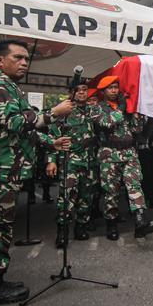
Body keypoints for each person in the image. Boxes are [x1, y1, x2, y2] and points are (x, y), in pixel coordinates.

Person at [0, 39, 74, 306]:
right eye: (18, 57)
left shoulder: (11, 88)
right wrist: (53, 113)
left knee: (0, 227)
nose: (24, 63)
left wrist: (51, 142)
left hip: (6, 169)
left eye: (27, 59)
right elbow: (15, 123)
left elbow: (26, 129)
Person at [88, 76, 153, 240]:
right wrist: (121, 108)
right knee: (111, 191)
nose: (114, 90)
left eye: (116, 87)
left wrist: (135, 113)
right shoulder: (97, 108)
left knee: (134, 185)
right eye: (110, 88)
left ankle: (140, 221)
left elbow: (137, 129)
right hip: (109, 154)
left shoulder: (124, 107)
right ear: (103, 91)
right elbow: (107, 123)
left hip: (129, 152)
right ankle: (111, 223)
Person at [47, 82, 97, 248]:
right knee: (66, 198)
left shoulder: (93, 110)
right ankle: (62, 232)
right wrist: (52, 160)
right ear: (71, 92)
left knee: (86, 197)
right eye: (78, 90)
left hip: (90, 161)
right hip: (70, 161)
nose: (82, 93)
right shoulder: (64, 110)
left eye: (84, 90)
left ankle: (81, 227)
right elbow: (53, 138)